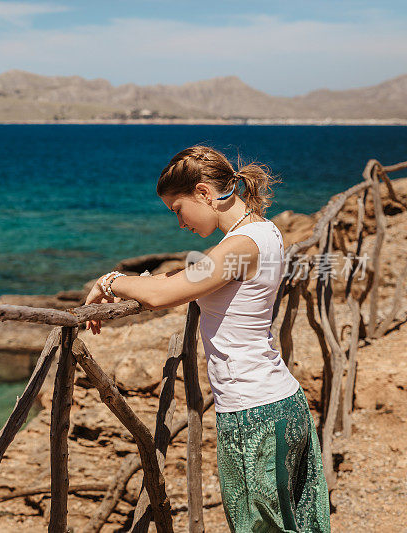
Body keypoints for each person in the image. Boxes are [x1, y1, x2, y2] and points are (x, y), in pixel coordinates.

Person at [84, 145, 331, 532]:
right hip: (280, 404)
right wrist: (129, 284)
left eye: (177, 210)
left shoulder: (241, 245)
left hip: (255, 415)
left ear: (203, 193)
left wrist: (111, 280)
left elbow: (162, 295)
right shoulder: (263, 232)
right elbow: (183, 280)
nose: (179, 223)